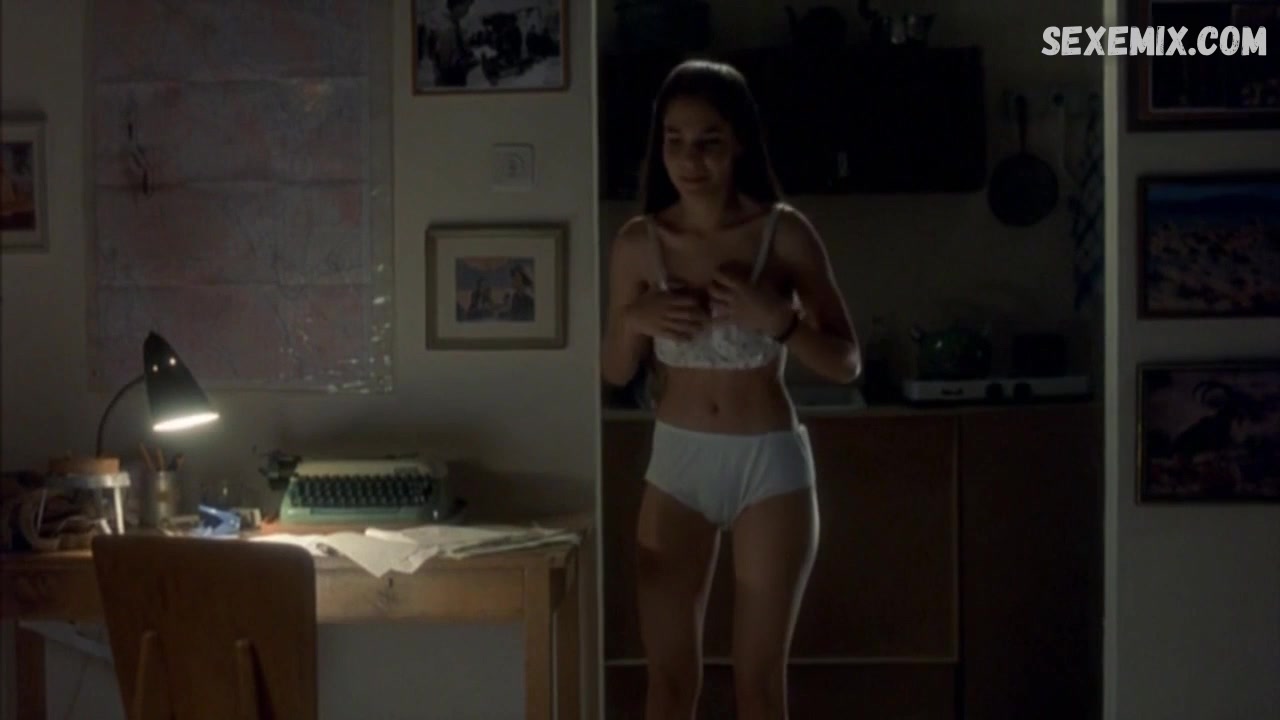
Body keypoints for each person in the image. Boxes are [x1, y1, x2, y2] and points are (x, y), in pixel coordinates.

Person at [600, 59, 861, 720]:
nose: (690, 159)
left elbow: (847, 362)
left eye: (709, 141)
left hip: (768, 464)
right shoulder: (638, 243)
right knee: (668, 682)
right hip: (678, 465)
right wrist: (633, 320)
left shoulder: (784, 232)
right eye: (675, 141)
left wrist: (781, 322)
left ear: (739, 141)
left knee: (759, 685)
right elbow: (615, 370)